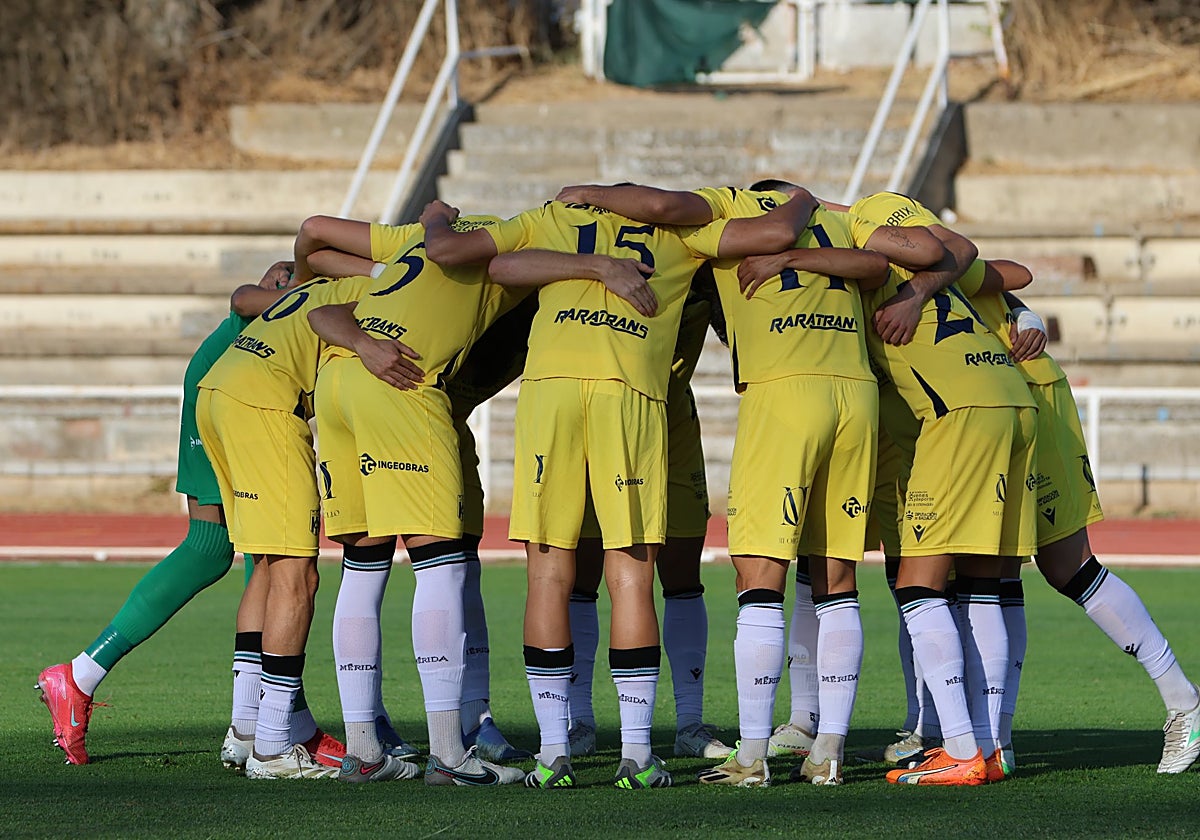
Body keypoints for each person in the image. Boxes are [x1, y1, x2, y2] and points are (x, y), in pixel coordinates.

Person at [422, 193, 814, 789]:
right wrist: (804, 197)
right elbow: (778, 229)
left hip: (549, 392)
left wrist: (586, 264)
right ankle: (637, 755)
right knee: (631, 573)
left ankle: (554, 755)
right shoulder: (684, 233)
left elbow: (494, 265)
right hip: (628, 395)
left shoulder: (556, 217)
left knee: (547, 575)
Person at [308, 212, 658, 785]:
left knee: (362, 569)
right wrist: (597, 265)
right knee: (440, 567)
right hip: (403, 382)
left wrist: (363, 338)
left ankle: (365, 752)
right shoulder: (492, 237)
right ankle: (449, 756)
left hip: (340, 381)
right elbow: (504, 262)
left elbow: (319, 267)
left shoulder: (407, 248)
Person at [35, 263, 343, 770]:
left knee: (261, 552)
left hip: (232, 392)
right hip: (228, 396)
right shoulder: (306, 285)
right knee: (215, 549)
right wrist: (317, 305)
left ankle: (257, 720)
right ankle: (81, 674)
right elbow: (246, 296)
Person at [849, 190, 1039, 786]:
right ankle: (990, 744)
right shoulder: (941, 266)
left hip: (958, 415)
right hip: (1011, 397)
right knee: (984, 580)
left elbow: (940, 248)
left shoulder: (866, 242)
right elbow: (976, 256)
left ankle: (958, 749)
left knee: (917, 580)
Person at [196, 271, 374, 780]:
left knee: (268, 568)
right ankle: (273, 746)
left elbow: (247, 295)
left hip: (220, 392)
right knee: (299, 575)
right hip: (264, 405)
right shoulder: (372, 291)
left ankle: (246, 728)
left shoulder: (316, 287)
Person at [566, 285, 732, 762]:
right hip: (603, 414)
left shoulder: (695, 245)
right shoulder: (595, 243)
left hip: (672, 415)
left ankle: (689, 723)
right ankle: (579, 721)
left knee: (682, 573)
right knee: (583, 572)